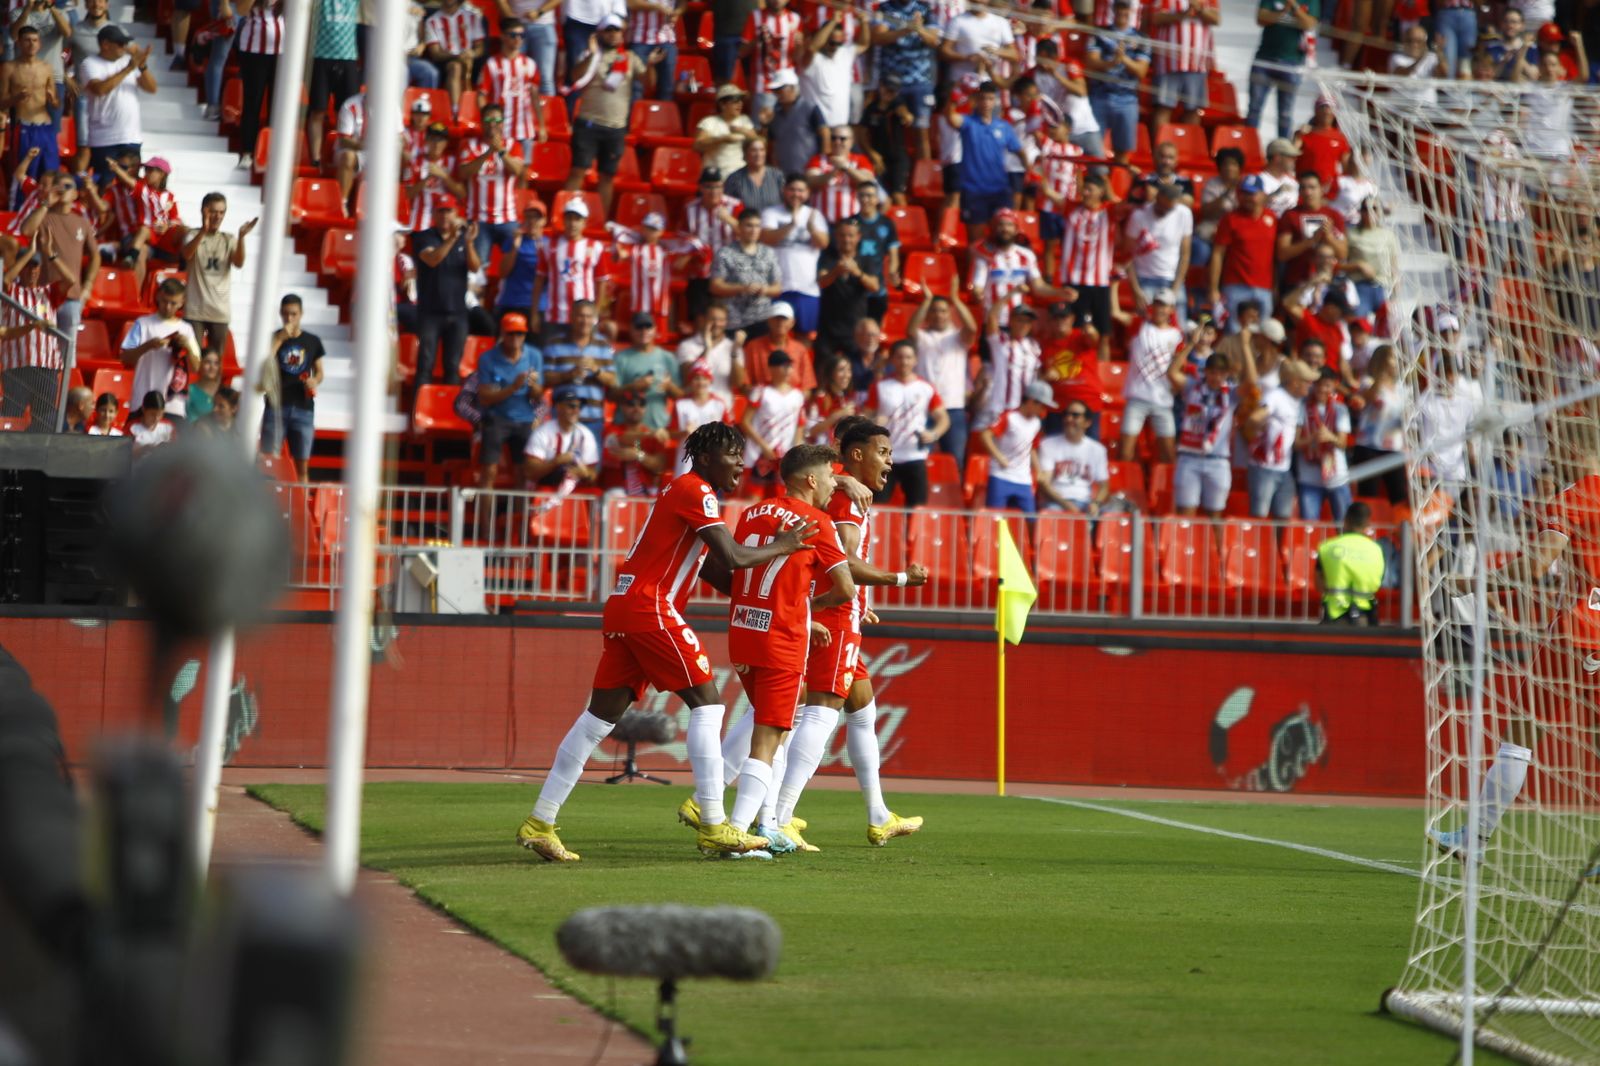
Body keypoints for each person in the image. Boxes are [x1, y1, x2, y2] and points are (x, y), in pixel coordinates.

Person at [513, 421, 820, 862]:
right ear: (708, 456)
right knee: (710, 705)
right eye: (733, 454)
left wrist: (771, 599)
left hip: (626, 604)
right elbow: (732, 556)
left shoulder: (683, 491)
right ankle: (714, 825)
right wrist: (784, 545)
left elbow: (714, 569)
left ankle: (540, 821)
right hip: (650, 604)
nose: (740, 462)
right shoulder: (697, 490)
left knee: (597, 720)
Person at [701, 417, 926, 848]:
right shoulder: (834, 507)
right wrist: (896, 580)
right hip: (812, 623)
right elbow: (842, 572)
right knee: (792, 719)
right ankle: (765, 818)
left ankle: (874, 812)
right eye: (883, 452)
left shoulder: (755, 509)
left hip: (752, 624)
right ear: (850, 458)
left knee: (850, 710)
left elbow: (724, 563)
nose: (890, 463)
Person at [705, 442, 853, 855]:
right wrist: (805, 608)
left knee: (774, 729)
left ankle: (765, 823)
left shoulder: (751, 512)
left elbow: (726, 568)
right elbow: (844, 588)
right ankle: (736, 832)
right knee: (769, 739)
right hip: (782, 640)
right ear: (810, 479)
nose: (832, 486)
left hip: (743, 631)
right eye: (828, 477)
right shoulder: (818, 522)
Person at [566, 15, 662, 212]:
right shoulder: (590, 54)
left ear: (621, 33)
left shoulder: (630, 58)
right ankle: (564, 212)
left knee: (607, 176)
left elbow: (648, 83)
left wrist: (651, 65)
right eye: (608, 30)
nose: (612, 34)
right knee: (578, 171)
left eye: (616, 30)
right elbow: (575, 76)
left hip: (615, 127)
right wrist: (592, 56)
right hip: (588, 122)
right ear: (600, 33)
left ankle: (600, 219)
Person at [1171, 348, 1257, 518]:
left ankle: (1215, 546)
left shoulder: (1231, 394)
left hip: (1217, 461)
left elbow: (1252, 381)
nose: (1216, 377)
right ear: (1206, 372)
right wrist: (1191, 344)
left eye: (1221, 373)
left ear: (1226, 374)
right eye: (1212, 372)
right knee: (1186, 516)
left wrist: (1246, 347)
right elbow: (1172, 373)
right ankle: (1188, 545)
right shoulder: (1192, 387)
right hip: (1189, 457)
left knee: (1215, 516)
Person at [862, 341, 948, 506]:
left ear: (915, 360)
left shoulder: (926, 388)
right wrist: (874, 423)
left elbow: (943, 418)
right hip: (884, 457)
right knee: (879, 506)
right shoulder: (880, 386)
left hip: (915, 455)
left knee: (917, 508)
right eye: (900, 357)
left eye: (908, 357)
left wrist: (934, 434)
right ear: (893, 360)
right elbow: (864, 417)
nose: (904, 361)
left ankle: (913, 534)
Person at [412, 195, 480, 400]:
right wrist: (452, 238)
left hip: (457, 312)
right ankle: (419, 407)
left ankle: (450, 411)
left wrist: (468, 243)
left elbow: (475, 266)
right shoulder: (424, 237)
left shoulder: (462, 239)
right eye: (441, 211)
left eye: (449, 211)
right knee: (425, 364)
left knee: (453, 366)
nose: (445, 216)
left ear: (456, 214)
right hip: (430, 311)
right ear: (433, 214)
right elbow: (432, 259)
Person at [18, 174, 95, 341]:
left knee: (68, 353)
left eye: (68, 186)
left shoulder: (82, 222)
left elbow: (95, 256)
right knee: (41, 347)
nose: (63, 190)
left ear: (75, 194)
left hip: (72, 297)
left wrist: (88, 286)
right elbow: (26, 231)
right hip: (43, 295)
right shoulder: (43, 216)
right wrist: (46, 203)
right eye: (58, 186)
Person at [911, 283, 977, 466]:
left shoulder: (957, 338)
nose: (938, 314)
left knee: (955, 462)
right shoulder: (923, 337)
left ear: (950, 314)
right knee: (919, 460)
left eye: (943, 311)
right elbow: (910, 330)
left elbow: (972, 328)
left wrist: (956, 300)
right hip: (925, 407)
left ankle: (954, 495)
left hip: (954, 406)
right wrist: (926, 301)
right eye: (934, 311)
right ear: (928, 315)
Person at [79, 25, 155, 181]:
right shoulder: (90, 63)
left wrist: (142, 66)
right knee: (106, 185)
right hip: (104, 139)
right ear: (105, 44)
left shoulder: (128, 62)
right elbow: (99, 89)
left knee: (131, 186)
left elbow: (151, 88)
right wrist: (128, 69)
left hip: (131, 137)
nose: (124, 48)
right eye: (120, 44)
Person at [475, 312, 543, 488]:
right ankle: (483, 516)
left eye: (519, 333)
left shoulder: (534, 356)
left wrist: (534, 387)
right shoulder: (488, 358)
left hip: (525, 419)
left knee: (523, 473)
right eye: (510, 333)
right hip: (497, 417)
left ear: (525, 335)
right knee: (488, 471)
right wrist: (513, 387)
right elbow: (485, 397)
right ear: (502, 334)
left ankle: (519, 515)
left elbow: (538, 395)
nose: (515, 338)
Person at [182, 193, 255, 353]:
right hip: (195, 309)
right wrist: (203, 230)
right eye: (214, 211)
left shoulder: (228, 239)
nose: (218, 216)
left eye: (222, 212)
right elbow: (186, 254)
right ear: (204, 211)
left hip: (219, 310)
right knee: (192, 359)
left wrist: (242, 237)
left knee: (215, 363)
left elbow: (239, 262)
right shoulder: (192, 234)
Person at [943, 81, 1022, 229]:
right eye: (983, 98)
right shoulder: (968, 122)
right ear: (976, 100)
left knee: (1005, 232)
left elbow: (1019, 150)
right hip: (974, 190)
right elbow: (951, 118)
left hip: (1000, 190)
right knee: (975, 239)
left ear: (995, 101)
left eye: (990, 98)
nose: (986, 102)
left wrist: (1030, 168)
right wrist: (954, 98)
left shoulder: (1004, 126)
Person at [261, 294, 324, 481]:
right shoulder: (273, 338)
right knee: (269, 463)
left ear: (301, 314)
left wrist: (315, 381)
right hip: (276, 406)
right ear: (281, 313)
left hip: (303, 407)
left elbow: (320, 372)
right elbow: (264, 364)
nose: (290, 319)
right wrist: (279, 340)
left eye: (294, 314)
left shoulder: (312, 341)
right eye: (286, 314)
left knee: (302, 466)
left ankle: (302, 508)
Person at [1243, 355, 1314, 518]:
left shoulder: (1299, 402)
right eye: (1306, 381)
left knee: (1283, 516)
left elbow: (1295, 442)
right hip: (1263, 468)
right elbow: (1255, 418)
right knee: (1259, 515)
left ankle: (1277, 545)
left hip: (1284, 468)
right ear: (1295, 381)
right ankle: (1257, 544)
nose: (1310, 385)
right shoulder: (1275, 396)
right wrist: (1258, 437)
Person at [459, 103, 529, 264]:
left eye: (497, 119)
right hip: (479, 219)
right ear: (482, 122)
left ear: (503, 122)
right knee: (478, 270)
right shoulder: (469, 145)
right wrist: (488, 153)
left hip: (507, 219)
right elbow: (463, 173)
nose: (493, 123)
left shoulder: (514, 145)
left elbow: (517, 171)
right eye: (488, 119)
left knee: (516, 264)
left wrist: (501, 151)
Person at [760, 173, 829, 337]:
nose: (796, 194)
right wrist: (791, 224)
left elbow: (824, 243)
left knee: (806, 336)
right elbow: (767, 238)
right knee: (775, 334)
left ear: (807, 193)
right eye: (792, 189)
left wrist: (812, 229)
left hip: (807, 288)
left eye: (800, 190)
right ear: (784, 191)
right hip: (778, 287)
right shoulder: (771, 212)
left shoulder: (814, 215)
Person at [1120, 289, 1185, 462]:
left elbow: (1181, 368)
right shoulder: (1139, 325)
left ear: (1171, 309)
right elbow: (1115, 313)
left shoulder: (1177, 336)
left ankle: (1164, 488)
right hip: (1137, 398)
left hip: (1162, 401)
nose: (1160, 309)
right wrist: (1114, 284)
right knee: (1125, 452)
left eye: (1165, 306)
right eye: (1158, 304)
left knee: (1169, 455)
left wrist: (1175, 388)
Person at [1084, 0, 1150, 167]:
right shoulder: (1099, 34)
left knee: (1123, 152)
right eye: (1120, 7)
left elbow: (1141, 71)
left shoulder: (1141, 39)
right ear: (1113, 9)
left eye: (1126, 8)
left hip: (1127, 98)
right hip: (1100, 95)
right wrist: (1112, 63)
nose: (1123, 12)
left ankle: (1119, 183)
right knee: (1092, 149)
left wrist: (1123, 59)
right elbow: (1091, 62)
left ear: (1131, 11)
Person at [120, 278, 199, 418]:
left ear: (182, 302)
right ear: (158, 297)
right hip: (143, 400)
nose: (168, 307)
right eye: (164, 301)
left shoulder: (186, 329)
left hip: (173, 405)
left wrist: (186, 347)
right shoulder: (142, 324)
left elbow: (195, 367)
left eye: (173, 303)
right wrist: (148, 346)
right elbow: (125, 358)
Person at [1208, 174, 1279, 328]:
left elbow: (1276, 256)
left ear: (1262, 195)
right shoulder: (1230, 219)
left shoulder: (1272, 219)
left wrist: (1275, 286)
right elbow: (1218, 254)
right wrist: (1214, 289)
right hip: (1235, 286)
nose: (1247, 197)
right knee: (1234, 331)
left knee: (1262, 335)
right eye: (1244, 193)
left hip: (1264, 287)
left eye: (1252, 193)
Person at [533, 199, 609, 344]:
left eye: (577, 219)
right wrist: (534, 313)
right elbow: (539, 280)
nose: (573, 223)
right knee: (552, 359)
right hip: (555, 316)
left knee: (585, 358)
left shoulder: (595, 247)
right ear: (564, 220)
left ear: (584, 222)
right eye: (569, 218)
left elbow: (601, 282)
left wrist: (596, 312)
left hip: (585, 318)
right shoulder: (549, 246)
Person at [105, 155, 184, 289]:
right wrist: (116, 169)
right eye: (145, 169)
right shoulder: (143, 189)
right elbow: (129, 182)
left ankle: (184, 265)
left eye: (150, 170)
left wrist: (167, 225)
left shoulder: (169, 196)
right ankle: (134, 293)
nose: (145, 173)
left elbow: (176, 219)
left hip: (162, 238)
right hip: (148, 235)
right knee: (144, 233)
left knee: (185, 230)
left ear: (162, 174)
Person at [0, 251, 60, 424]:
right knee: (12, 415)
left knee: (45, 419)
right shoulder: (11, 291)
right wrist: (29, 252)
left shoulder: (48, 292)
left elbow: (70, 281)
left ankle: (38, 451)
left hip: (46, 365)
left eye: (35, 266)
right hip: (17, 365)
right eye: (27, 266)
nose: (31, 270)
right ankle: (6, 450)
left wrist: (52, 255)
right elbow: (4, 281)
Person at [1246, 0, 1319, 141]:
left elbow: (1309, 24)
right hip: (1264, 59)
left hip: (1292, 62)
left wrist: (1294, 7)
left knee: (1285, 113)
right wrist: (1283, 10)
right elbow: (1261, 19)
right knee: (1254, 108)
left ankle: (1283, 152)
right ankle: (1250, 146)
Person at [542, 299, 614, 441]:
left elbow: (612, 381)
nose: (584, 321)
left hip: (592, 419)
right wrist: (568, 375)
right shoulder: (554, 343)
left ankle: (639, 453)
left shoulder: (604, 345)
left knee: (591, 463)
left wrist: (596, 369)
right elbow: (544, 379)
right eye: (580, 316)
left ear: (594, 319)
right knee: (559, 462)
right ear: (572, 317)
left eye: (588, 316)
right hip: (562, 418)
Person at [979, 379, 1054, 513]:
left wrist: (1038, 470)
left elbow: (1031, 448)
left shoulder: (1036, 423)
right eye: (1042, 406)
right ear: (1031, 401)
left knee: (1029, 519)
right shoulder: (1009, 417)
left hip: (1023, 478)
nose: (1043, 411)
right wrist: (999, 456)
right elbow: (985, 435)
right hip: (1001, 475)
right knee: (995, 517)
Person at [1125, 183, 1194, 323]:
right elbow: (1127, 255)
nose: (1164, 210)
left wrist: (1175, 288)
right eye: (1161, 206)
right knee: (1145, 330)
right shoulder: (1139, 216)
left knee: (1179, 330)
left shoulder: (1184, 214)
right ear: (1157, 198)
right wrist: (1136, 290)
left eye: (1169, 208)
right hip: (1145, 279)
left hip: (1172, 279)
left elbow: (1185, 254)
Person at [814, 218, 880, 363]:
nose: (846, 239)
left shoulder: (866, 260)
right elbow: (821, 283)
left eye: (850, 235)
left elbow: (875, 286)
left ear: (858, 237)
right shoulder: (827, 258)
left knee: (855, 373)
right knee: (824, 369)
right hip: (828, 328)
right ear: (836, 236)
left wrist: (858, 273)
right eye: (842, 235)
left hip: (856, 330)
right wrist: (835, 272)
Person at [1056, 173, 1112, 342]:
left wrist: (1108, 181)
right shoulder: (1071, 208)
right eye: (1084, 189)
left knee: (1103, 334)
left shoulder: (1110, 211)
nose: (1085, 193)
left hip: (1100, 281)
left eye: (1090, 189)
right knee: (1072, 331)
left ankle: (1101, 368)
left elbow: (1128, 204)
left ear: (1101, 192)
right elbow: (1047, 192)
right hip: (1073, 280)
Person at [740, 349, 806, 494]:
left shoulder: (797, 395)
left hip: (785, 456)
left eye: (789, 366)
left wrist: (796, 453)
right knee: (753, 498)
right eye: (783, 365)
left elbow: (800, 426)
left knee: (780, 498)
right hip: (759, 454)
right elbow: (745, 421)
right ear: (771, 368)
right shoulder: (760, 392)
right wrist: (763, 446)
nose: (788, 370)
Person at [306, 0, 360, 171]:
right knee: (318, 111)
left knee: (346, 111)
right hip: (321, 56)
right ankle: (315, 159)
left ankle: (341, 157)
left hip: (348, 58)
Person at [710, 208, 781, 337]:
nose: (754, 230)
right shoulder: (725, 253)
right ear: (740, 226)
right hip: (734, 321)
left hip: (763, 320)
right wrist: (743, 288)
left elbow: (777, 287)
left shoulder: (769, 253)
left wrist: (764, 290)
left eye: (757, 226)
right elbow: (715, 286)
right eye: (749, 225)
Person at [1148, 0, 1217, 132]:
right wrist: (1181, 15)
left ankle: (1190, 148)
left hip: (1197, 63)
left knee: (1193, 110)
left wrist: (1200, 10)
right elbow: (1156, 18)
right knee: (1163, 107)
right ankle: (1159, 147)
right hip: (1169, 61)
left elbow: (1216, 19)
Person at [478, 20, 546, 154]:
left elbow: (535, 96)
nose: (518, 39)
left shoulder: (530, 64)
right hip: (499, 130)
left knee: (523, 172)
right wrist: (487, 122)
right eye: (513, 35)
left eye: (521, 35)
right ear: (503, 36)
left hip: (525, 130)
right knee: (500, 170)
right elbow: (481, 95)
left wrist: (542, 126)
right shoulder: (491, 64)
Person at [1296, 367, 1352, 521]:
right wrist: (1312, 438)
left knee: (1344, 523)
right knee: (1309, 526)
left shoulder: (1340, 409)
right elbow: (1296, 444)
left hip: (1337, 477)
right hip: (1309, 478)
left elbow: (1342, 443)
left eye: (1326, 385)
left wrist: (1329, 437)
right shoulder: (1302, 408)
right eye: (1318, 384)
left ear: (1334, 386)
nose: (1322, 389)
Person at [5, 25, 60, 181]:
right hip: (24, 127)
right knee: (25, 174)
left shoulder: (47, 67)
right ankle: (22, 205)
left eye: (35, 40)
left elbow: (56, 104)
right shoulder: (9, 68)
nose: (32, 44)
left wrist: (52, 100)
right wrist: (16, 98)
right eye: (27, 40)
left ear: (39, 43)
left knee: (51, 174)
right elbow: (1, 103)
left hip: (46, 126)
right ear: (19, 43)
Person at [1315, 502, 1383, 624]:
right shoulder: (1376, 550)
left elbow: (1319, 583)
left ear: (1345, 520)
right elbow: (1378, 581)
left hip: (1334, 614)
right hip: (1365, 615)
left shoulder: (1327, 547)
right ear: (1368, 524)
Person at [1037, 400, 1110, 514]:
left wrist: (1095, 503)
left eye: (1075, 415)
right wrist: (1067, 505)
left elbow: (1104, 486)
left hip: (1085, 502)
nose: (1069, 419)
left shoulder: (1098, 450)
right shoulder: (1047, 444)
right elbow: (1044, 483)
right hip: (1056, 502)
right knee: (1052, 514)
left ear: (1087, 422)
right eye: (1066, 414)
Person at [522, 385, 600, 490]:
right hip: (546, 488)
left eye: (579, 407)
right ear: (558, 407)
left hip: (574, 491)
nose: (576, 410)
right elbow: (530, 472)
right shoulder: (543, 432)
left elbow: (593, 475)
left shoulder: (586, 434)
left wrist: (585, 473)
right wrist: (556, 462)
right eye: (571, 406)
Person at [614, 312, 680, 430]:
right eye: (639, 327)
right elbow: (611, 395)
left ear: (655, 329)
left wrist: (670, 387)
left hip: (658, 428)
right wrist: (633, 387)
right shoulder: (621, 358)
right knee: (636, 448)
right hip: (630, 430)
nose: (644, 331)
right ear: (631, 330)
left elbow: (681, 396)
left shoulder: (667, 358)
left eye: (648, 327)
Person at [857, 75, 915, 201]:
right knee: (879, 196)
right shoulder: (871, 109)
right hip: (878, 157)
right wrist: (872, 154)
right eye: (886, 89)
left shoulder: (897, 104)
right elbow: (861, 134)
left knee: (898, 195)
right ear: (880, 87)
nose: (887, 93)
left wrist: (906, 116)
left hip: (898, 158)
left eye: (892, 91)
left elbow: (906, 115)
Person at [675, 304, 745, 403]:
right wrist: (707, 349)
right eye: (713, 319)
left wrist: (734, 353)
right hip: (693, 411)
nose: (717, 324)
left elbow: (737, 383)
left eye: (721, 320)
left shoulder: (733, 347)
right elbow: (688, 378)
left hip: (722, 411)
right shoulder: (687, 346)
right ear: (703, 320)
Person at [668, 364, 730, 470]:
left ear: (710, 381)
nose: (701, 382)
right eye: (696, 378)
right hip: (686, 461)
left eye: (704, 378)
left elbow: (728, 433)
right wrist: (684, 432)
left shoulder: (719, 404)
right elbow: (670, 433)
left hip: (712, 461)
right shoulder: (681, 405)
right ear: (691, 381)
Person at [694, 85, 759, 177]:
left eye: (741, 100)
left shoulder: (744, 120)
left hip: (739, 174)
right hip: (715, 175)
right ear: (722, 104)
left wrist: (743, 131)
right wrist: (722, 139)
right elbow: (697, 145)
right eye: (735, 100)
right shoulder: (709, 122)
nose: (740, 104)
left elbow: (758, 142)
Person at [625, 0, 680, 101]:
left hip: (666, 38)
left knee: (667, 86)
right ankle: (636, 115)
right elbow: (630, 3)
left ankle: (663, 115)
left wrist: (678, 12)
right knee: (636, 86)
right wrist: (657, 7)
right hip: (639, 38)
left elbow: (683, 3)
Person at [723, 136, 787, 214]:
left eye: (762, 150)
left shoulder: (778, 176)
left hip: (774, 224)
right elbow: (728, 206)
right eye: (753, 150)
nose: (758, 154)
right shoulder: (735, 178)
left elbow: (787, 202)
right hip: (746, 224)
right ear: (745, 153)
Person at [184, 348, 224, 423]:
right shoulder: (190, 391)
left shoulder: (224, 392)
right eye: (207, 362)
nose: (212, 367)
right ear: (199, 364)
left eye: (216, 363)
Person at [129, 390, 174, 457]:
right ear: (143, 409)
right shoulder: (132, 427)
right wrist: (144, 449)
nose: (156, 419)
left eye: (159, 415)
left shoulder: (169, 427)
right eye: (152, 414)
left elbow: (176, 450)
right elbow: (125, 454)